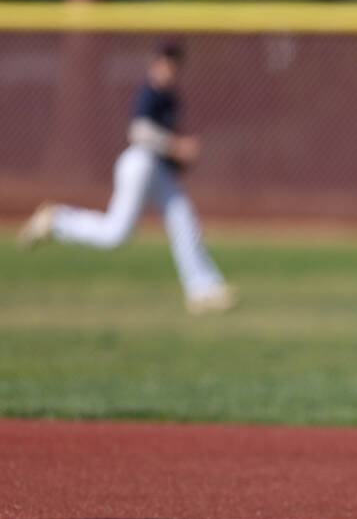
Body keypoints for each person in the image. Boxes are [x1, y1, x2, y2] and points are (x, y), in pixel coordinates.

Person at [17, 39, 236, 315]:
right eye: (165, 61)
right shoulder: (151, 91)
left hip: (158, 168)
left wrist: (176, 154)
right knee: (115, 233)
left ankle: (203, 290)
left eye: (174, 63)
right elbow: (139, 133)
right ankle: (57, 220)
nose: (170, 67)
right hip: (141, 163)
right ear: (155, 63)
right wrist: (177, 146)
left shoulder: (170, 95)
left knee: (183, 219)